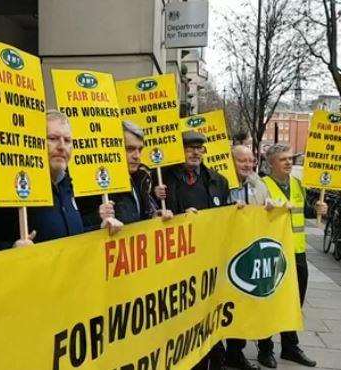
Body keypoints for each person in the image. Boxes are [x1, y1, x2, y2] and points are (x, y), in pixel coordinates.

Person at [0, 110, 92, 249]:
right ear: (34, 141)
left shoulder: (67, 185)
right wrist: (11, 248)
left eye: (67, 140)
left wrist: (103, 227)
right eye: (52, 138)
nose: (62, 146)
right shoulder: (4, 183)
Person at [157, 130, 229, 370]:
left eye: (199, 148)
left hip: (208, 265)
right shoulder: (162, 180)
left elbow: (226, 219)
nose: (195, 152)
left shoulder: (218, 181)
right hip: (176, 265)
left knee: (208, 319)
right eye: (189, 147)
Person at [258, 143, 327, 368]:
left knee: (294, 303)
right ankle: (265, 348)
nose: (289, 162)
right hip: (273, 253)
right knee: (270, 301)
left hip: (297, 252)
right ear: (271, 163)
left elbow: (302, 211)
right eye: (283, 159)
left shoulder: (297, 184)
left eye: (291, 158)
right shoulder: (262, 185)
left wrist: (317, 209)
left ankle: (290, 347)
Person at [224, 145, 274, 370]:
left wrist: (271, 207)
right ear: (231, 161)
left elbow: (268, 210)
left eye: (251, 160)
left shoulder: (258, 185)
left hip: (248, 254)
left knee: (243, 305)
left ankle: (236, 352)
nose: (247, 165)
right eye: (242, 160)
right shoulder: (219, 182)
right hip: (224, 253)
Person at [77, 121, 172, 229]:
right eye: (130, 149)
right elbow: (77, 227)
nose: (137, 156)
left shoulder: (139, 178)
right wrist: (100, 219)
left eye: (140, 149)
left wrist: (153, 217)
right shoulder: (94, 183)